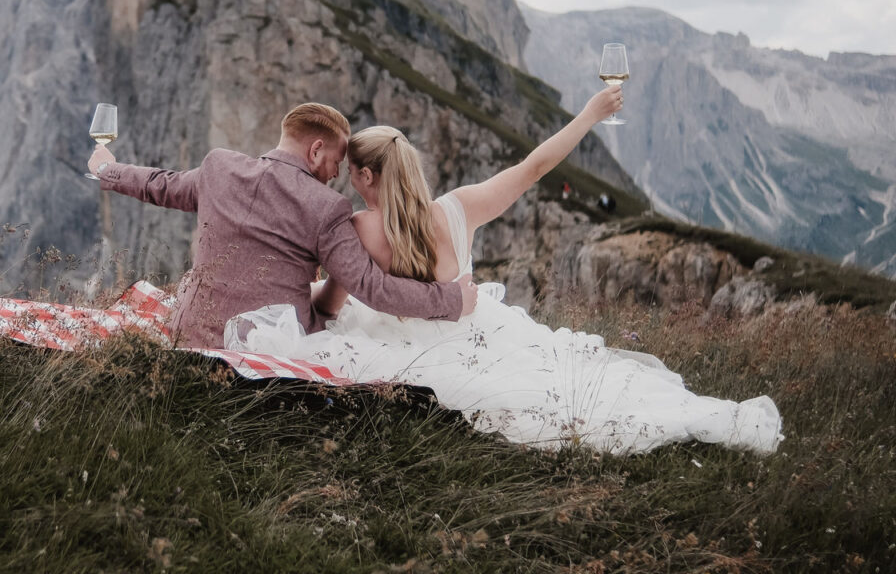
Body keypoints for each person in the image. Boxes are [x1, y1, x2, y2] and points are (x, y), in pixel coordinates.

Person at [234, 85, 783, 455]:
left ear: (367, 176)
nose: (345, 179)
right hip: (478, 331)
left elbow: (329, 304)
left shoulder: (358, 230)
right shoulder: (458, 209)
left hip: (412, 350)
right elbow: (534, 166)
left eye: (351, 172)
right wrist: (591, 114)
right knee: (565, 384)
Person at [87, 102, 476, 349]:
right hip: (266, 349)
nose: (337, 173)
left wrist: (108, 169)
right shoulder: (328, 207)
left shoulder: (219, 167)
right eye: (336, 161)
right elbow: (373, 288)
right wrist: (452, 301)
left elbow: (162, 185)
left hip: (189, 334)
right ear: (315, 149)